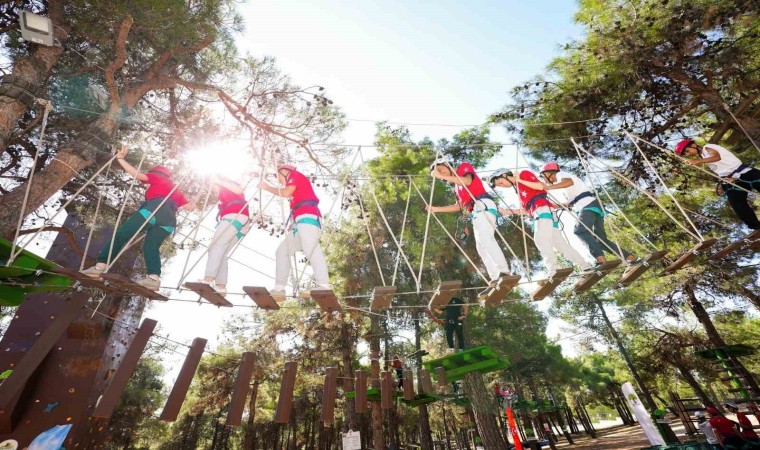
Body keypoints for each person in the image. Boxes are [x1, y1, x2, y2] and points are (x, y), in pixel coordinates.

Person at [82, 146, 193, 290]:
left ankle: (99, 268)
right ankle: (153, 279)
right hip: (169, 222)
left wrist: (120, 159)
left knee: (121, 235)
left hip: (153, 210)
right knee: (151, 247)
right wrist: (197, 196)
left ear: (156, 173)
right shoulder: (175, 189)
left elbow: (138, 175)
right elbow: (190, 207)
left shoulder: (158, 178)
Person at [428, 157, 511, 293]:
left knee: (485, 239)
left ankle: (504, 271)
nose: (441, 174)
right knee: (481, 247)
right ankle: (495, 277)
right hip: (475, 212)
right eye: (439, 173)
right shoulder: (456, 188)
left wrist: (441, 176)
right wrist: (436, 209)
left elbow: (468, 181)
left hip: (482, 204)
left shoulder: (463, 168)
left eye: (441, 169)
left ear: (448, 164)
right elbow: (459, 206)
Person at [489, 168, 593, 278]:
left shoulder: (523, 175)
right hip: (544, 211)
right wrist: (506, 212)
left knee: (540, 239)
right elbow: (526, 211)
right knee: (559, 244)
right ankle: (585, 266)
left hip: (542, 209)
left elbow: (540, 186)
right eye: (500, 185)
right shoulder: (519, 189)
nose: (502, 185)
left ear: (505, 175)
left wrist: (518, 180)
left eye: (501, 182)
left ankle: (553, 270)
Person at [539, 162, 639, 266]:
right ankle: (630, 258)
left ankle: (601, 261)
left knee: (580, 231)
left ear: (548, 173)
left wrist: (547, 188)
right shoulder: (568, 188)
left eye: (542, 176)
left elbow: (569, 182)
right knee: (601, 241)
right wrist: (552, 206)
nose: (543, 179)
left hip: (587, 206)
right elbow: (570, 202)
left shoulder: (561, 175)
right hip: (593, 206)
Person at [259, 163, 330, 301]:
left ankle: (323, 286)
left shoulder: (296, 176)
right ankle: (279, 289)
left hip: (308, 216)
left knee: (311, 248)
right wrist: (293, 223)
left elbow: (286, 193)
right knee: (282, 251)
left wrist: (267, 187)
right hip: (299, 220)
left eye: (278, 176)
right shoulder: (294, 184)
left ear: (285, 171)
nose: (279, 180)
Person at [675, 139, 760, 230]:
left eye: (687, 151)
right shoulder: (703, 156)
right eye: (685, 154)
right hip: (732, 180)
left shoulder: (708, 147)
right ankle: (756, 226)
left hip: (745, 173)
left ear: (694, 145)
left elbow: (716, 157)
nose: (688, 154)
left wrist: (697, 161)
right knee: (737, 204)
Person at [198, 175, 250, 297]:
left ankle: (208, 279)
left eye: (211, 186)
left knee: (215, 246)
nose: (211, 189)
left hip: (235, 216)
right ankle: (221, 286)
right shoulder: (224, 195)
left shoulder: (228, 187)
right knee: (222, 251)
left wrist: (218, 180)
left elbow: (238, 189)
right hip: (241, 221)